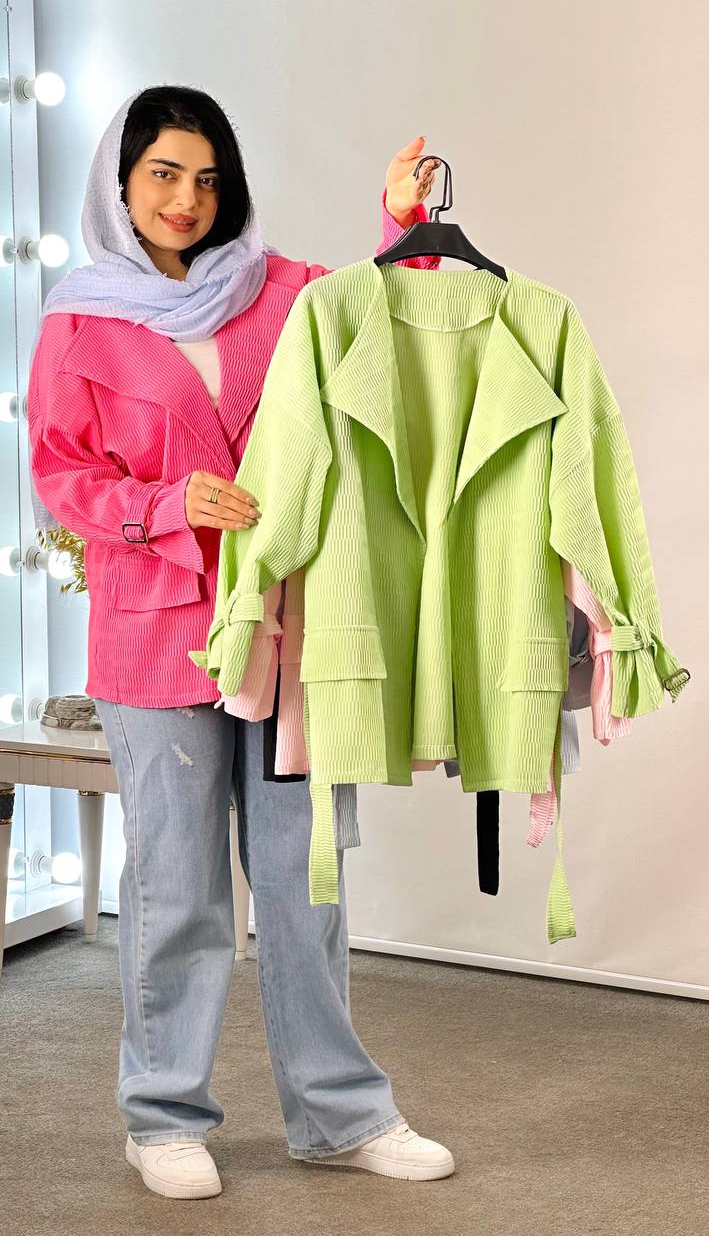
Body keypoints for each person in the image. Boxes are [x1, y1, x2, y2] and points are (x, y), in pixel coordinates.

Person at [27, 85, 455, 1200]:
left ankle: (340, 1113)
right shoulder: (79, 321)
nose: (186, 199)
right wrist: (167, 504)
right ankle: (163, 1115)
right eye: (164, 174)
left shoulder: (283, 290)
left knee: (309, 879)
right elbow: (61, 476)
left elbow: (382, 324)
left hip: (284, 628)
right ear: (119, 183)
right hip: (157, 633)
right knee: (178, 889)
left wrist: (401, 224)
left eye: (207, 179)